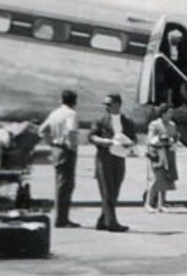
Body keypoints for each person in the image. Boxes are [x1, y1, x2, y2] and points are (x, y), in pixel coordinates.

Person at [89, 92, 138, 232]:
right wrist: (104, 141)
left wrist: (130, 144)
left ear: (118, 105)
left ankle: (102, 220)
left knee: (115, 190)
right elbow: (91, 136)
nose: (106, 107)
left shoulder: (127, 122)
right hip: (104, 158)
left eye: (109, 104)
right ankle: (112, 223)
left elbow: (134, 138)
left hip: (119, 157)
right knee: (107, 190)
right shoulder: (100, 121)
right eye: (105, 104)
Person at [38, 89, 81, 227]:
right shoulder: (71, 114)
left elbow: (42, 130)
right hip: (66, 150)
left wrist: (51, 142)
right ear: (74, 101)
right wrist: (72, 147)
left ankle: (61, 217)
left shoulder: (55, 113)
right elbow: (71, 132)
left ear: (62, 100)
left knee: (60, 184)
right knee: (66, 186)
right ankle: (62, 219)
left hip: (56, 149)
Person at [144, 103, 179, 212]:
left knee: (166, 178)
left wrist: (173, 141)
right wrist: (161, 138)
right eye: (169, 112)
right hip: (157, 153)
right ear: (163, 113)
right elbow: (150, 139)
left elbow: (174, 137)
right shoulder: (154, 124)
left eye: (172, 112)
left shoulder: (172, 125)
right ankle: (148, 203)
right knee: (156, 179)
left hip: (169, 153)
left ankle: (161, 204)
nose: (171, 115)